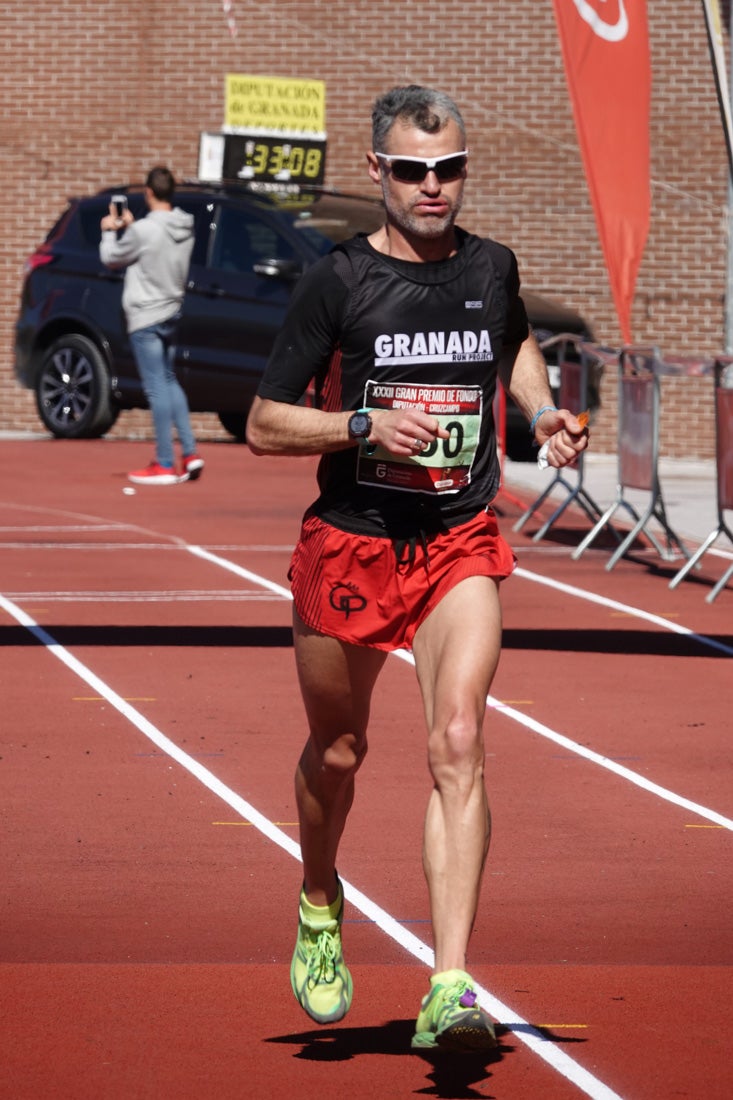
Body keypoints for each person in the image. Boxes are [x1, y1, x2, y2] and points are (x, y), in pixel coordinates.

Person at [246, 85, 588, 1053]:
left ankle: (448, 984)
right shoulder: (336, 283)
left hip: (455, 535)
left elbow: (509, 338)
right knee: (340, 752)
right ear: (377, 173)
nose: (431, 187)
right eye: (410, 170)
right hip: (352, 539)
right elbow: (265, 422)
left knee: (455, 735)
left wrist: (542, 409)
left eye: (447, 169)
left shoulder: (489, 269)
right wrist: (361, 424)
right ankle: (320, 895)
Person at [100, 166, 204, 485]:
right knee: (170, 380)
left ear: (148, 192)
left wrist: (108, 230)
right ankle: (189, 453)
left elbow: (112, 257)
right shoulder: (185, 226)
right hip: (171, 312)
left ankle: (163, 461)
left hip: (145, 315)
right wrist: (135, 229)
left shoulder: (144, 230)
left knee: (156, 387)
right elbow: (151, 246)